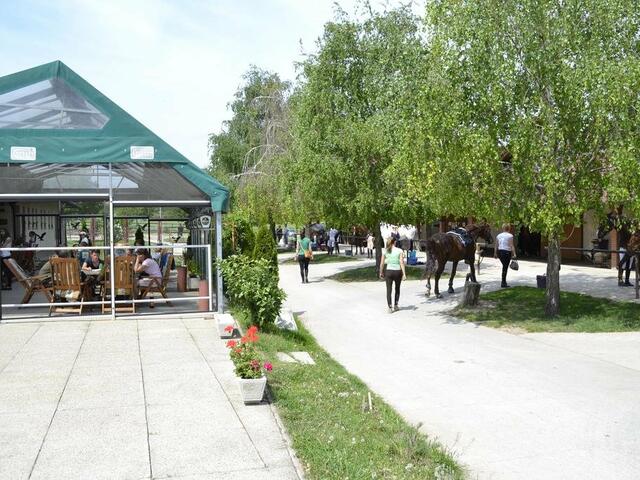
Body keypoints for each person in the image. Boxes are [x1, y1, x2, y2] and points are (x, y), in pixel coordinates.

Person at [379, 236, 406, 313]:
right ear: (395, 242)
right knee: (397, 289)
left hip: (389, 271)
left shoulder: (385, 251)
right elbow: (401, 262)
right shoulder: (400, 250)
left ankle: (390, 307)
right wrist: (404, 273)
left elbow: (382, 263)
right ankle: (396, 305)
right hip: (397, 271)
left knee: (389, 290)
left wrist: (381, 272)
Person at [494, 223, 517, 288]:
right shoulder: (510, 236)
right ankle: (503, 282)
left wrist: (495, 253)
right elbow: (512, 245)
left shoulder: (498, 235)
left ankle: (503, 282)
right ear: (509, 228)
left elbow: (496, 245)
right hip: (507, 252)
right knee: (505, 267)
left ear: (503, 228)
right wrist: (514, 254)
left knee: (504, 266)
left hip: (500, 252)